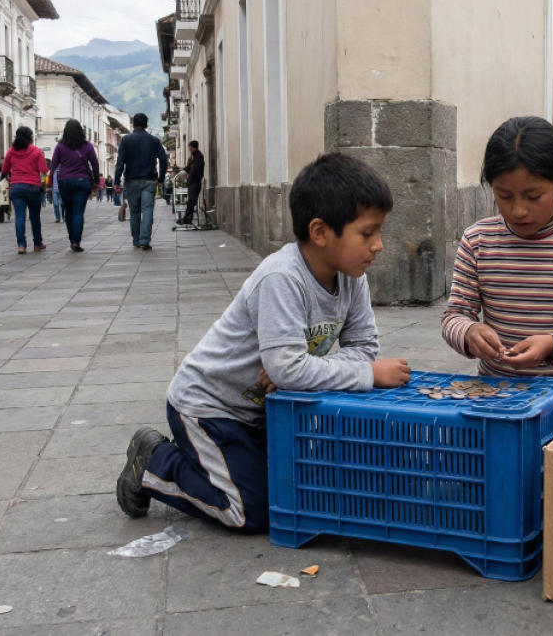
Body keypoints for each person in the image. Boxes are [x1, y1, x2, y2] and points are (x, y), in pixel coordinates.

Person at [115, 152, 411, 529]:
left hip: (263, 413)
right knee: (250, 511)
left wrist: (301, 370)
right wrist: (365, 374)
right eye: (367, 233)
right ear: (321, 232)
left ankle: (223, 465)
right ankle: (154, 463)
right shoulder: (282, 278)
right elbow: (302, 368)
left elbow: (362, 348)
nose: (378, 245)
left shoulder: (352, 275)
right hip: (209, 407)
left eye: (378, 232)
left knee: (299, 489)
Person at [441, 116, 553, 419]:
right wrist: (470, 331)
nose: (518, 210)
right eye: (504, 196)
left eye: (533, 196)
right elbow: (455, 315)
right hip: (497, 391)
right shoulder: (477, 240)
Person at [114, 113, 168, 251]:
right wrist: (161, 178)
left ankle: (136, 240)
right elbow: (163, 160)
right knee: (148, 209)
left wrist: (116, 181)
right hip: (149, 180)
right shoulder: (154, 140)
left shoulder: (126, 140)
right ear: (146, 124)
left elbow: (120, 162)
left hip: (131, 180)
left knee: (135, 211)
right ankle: (145, 239)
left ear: (133, 124)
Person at [51, 120, 101, 252]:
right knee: (78, 211)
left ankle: (71, 238)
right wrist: (96, 181)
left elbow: (53, 166)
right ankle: (76, 241)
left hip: (64, 181)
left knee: (68, 212)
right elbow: (95, 165)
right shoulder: (88, 146)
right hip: (82, 181)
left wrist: (51, 182)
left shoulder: (60, 146)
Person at [2, 127, 48, 254]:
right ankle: (37, 243)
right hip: (33, 186)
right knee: (34, 216)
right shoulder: (36, 151)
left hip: (16, 186)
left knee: (20, 216)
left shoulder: (11, 152)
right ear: (31, 137)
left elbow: (5, 170)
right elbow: (44, 169)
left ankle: (21, 245)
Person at [182, 141, 205, 225]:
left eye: (189, 146)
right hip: (192, 182)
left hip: (195, 182)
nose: (189, 148)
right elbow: (189, 168)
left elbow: (195, 169)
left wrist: (191, 179)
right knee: (191, 201)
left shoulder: (198, 156)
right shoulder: (193, 156)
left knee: (191, 201)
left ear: (193, 147)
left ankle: (186, 219)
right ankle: (187, 219)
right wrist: (181, 170)